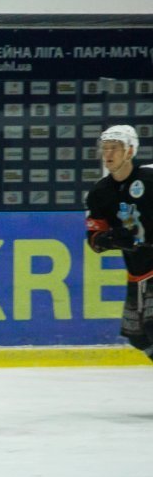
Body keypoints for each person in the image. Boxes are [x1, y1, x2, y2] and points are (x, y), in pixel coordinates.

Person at [85, 125, 153, 362]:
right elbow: (94, 239)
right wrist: (110, 239)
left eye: (115, 147)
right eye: (105, 148)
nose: (108, 153)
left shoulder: (150, 178)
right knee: (137, 336)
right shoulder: (99, 193)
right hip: (137, 270)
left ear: (130, 151)